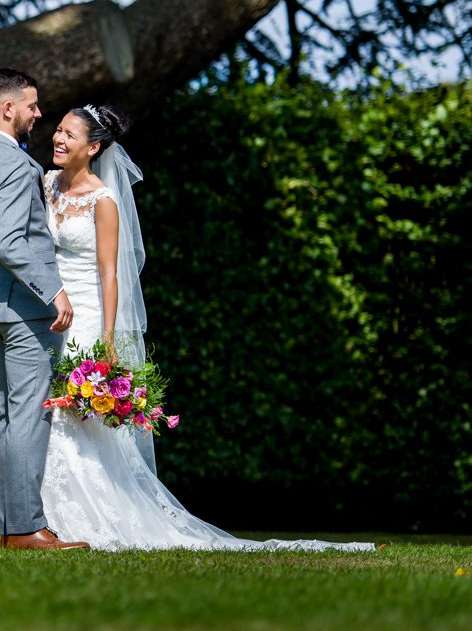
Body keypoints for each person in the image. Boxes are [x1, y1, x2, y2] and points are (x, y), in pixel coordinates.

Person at [38, 104, 376, 552]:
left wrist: (106, 339)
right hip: (50, 316)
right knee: (46, 410)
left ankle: (82, 517)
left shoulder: (104, 200)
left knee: (79, 416)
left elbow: (110, 273)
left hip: (89, 314)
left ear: (93, 147)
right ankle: (42, 517)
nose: (58, 139)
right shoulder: (47, 183)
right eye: (57, 130)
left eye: (69, 135)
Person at [0, 68, 88, 551]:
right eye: (32, 106)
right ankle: (25, 529)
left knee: (10, 418)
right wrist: (53, 291)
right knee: (28, 416)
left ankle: (15, 528)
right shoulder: (14, 164)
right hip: (23, 309)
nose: (39, 114)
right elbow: (12, 243)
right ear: (8, 108)